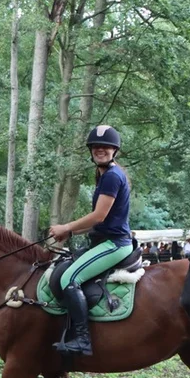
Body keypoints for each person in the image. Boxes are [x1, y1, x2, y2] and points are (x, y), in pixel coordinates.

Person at [48, 124, 134, 356]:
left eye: (106, 146)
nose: (100, 149)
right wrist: (71, 233)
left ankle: (83, 341)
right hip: (102, 240)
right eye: (96, 146)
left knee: (69, 278)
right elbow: (98, 221)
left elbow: (99, 215)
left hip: (114, 244)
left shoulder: (112, 177)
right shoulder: (104, 174)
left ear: (115, 150)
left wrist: (66, 226)